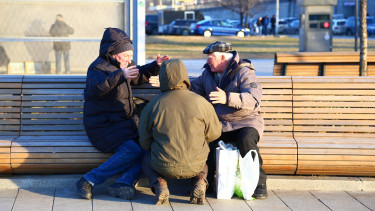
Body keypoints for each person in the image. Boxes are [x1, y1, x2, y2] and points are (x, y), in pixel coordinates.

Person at [76, 27, 169, 200]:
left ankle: (124, 182)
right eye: (125, 55)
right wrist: (120, 75)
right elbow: (96, 89)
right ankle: (88, 180)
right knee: (133, 149)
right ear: (112, 53)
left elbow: (138, 75)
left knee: (146, 148)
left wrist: (155, 66)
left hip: (122, 124)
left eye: (130, 55)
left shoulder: (125, 66)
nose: (129, 59)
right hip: (102, 125)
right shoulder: (97, 68)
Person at [190, 41, 268, 199]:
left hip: (246, 121)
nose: (207, 61)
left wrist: (227, 98)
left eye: (210, 58)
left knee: (246, 140)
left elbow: (253, 99)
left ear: (222, 58)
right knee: (206, 140)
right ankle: (207, 182)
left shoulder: (244, 72)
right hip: (221, 124)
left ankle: (260, 183)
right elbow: (192, 87)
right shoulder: (208, 75)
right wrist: (168, 81)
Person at [139, 59, 222, 205]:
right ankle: (200, 180)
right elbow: (215, 134)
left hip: (162, 164)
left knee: (145, 158)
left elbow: (145, 142)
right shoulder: (201, 102)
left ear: (162, 77)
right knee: (205, 156)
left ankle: (160, 184)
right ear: (185, 75)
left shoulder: (153, 105)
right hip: (196, 164)